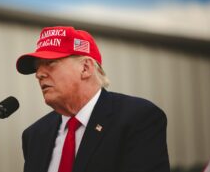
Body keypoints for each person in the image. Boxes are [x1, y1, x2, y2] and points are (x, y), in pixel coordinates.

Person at [16, 26, 170, 172]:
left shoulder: (137, 117)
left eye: (50, 63)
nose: (38, 74)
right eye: (37, 67)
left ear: (85, 68)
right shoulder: (35, 135)